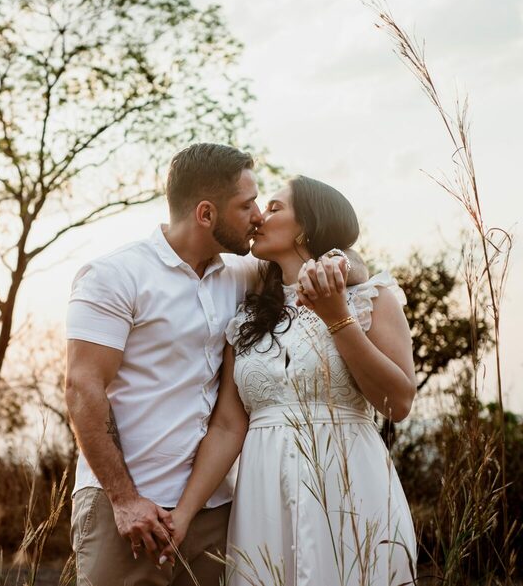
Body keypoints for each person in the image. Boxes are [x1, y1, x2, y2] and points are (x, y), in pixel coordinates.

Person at [64, 145, 366, 586]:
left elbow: (339, 259)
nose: (258, 215)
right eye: (246, 205)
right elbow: (81, 386)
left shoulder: (243, 274)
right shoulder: (114, 275)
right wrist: (125, 499)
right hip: (126, 511)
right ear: (206, 214)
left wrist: (341, 264)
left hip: (213, 513)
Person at [161, 175, 418, 586]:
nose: (260, 215)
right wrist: (184, 514)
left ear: (307, 226)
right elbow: (228, 426)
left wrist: (338, 318)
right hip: (264, 491)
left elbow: (399, 402)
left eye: (276, 207)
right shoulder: (247, 316)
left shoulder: (372, 296)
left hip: (350, 480)